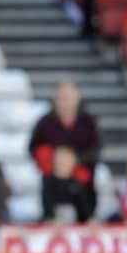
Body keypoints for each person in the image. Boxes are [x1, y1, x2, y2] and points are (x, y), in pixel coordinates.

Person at [29, 81, 100, 218]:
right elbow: (33, 148)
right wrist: (53, 159)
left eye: (68, 96)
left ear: (77, 98)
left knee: (84, 180)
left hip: (81, 172)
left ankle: (87, 218)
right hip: (53, 175)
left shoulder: (88, 121)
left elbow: (96, 148)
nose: (65, 101)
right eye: (62, 96)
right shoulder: (45, 122)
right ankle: (50, 217)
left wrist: (74, 160)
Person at [41, 146, 94, 223]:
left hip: (74, 222)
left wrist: (88, 218)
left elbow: (83, 205)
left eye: (67, 158)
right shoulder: (48, 180)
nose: (63, 162)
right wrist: (52, 218)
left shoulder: (77, 182)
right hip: (53, 222)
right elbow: (47, 203)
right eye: (61, 158)